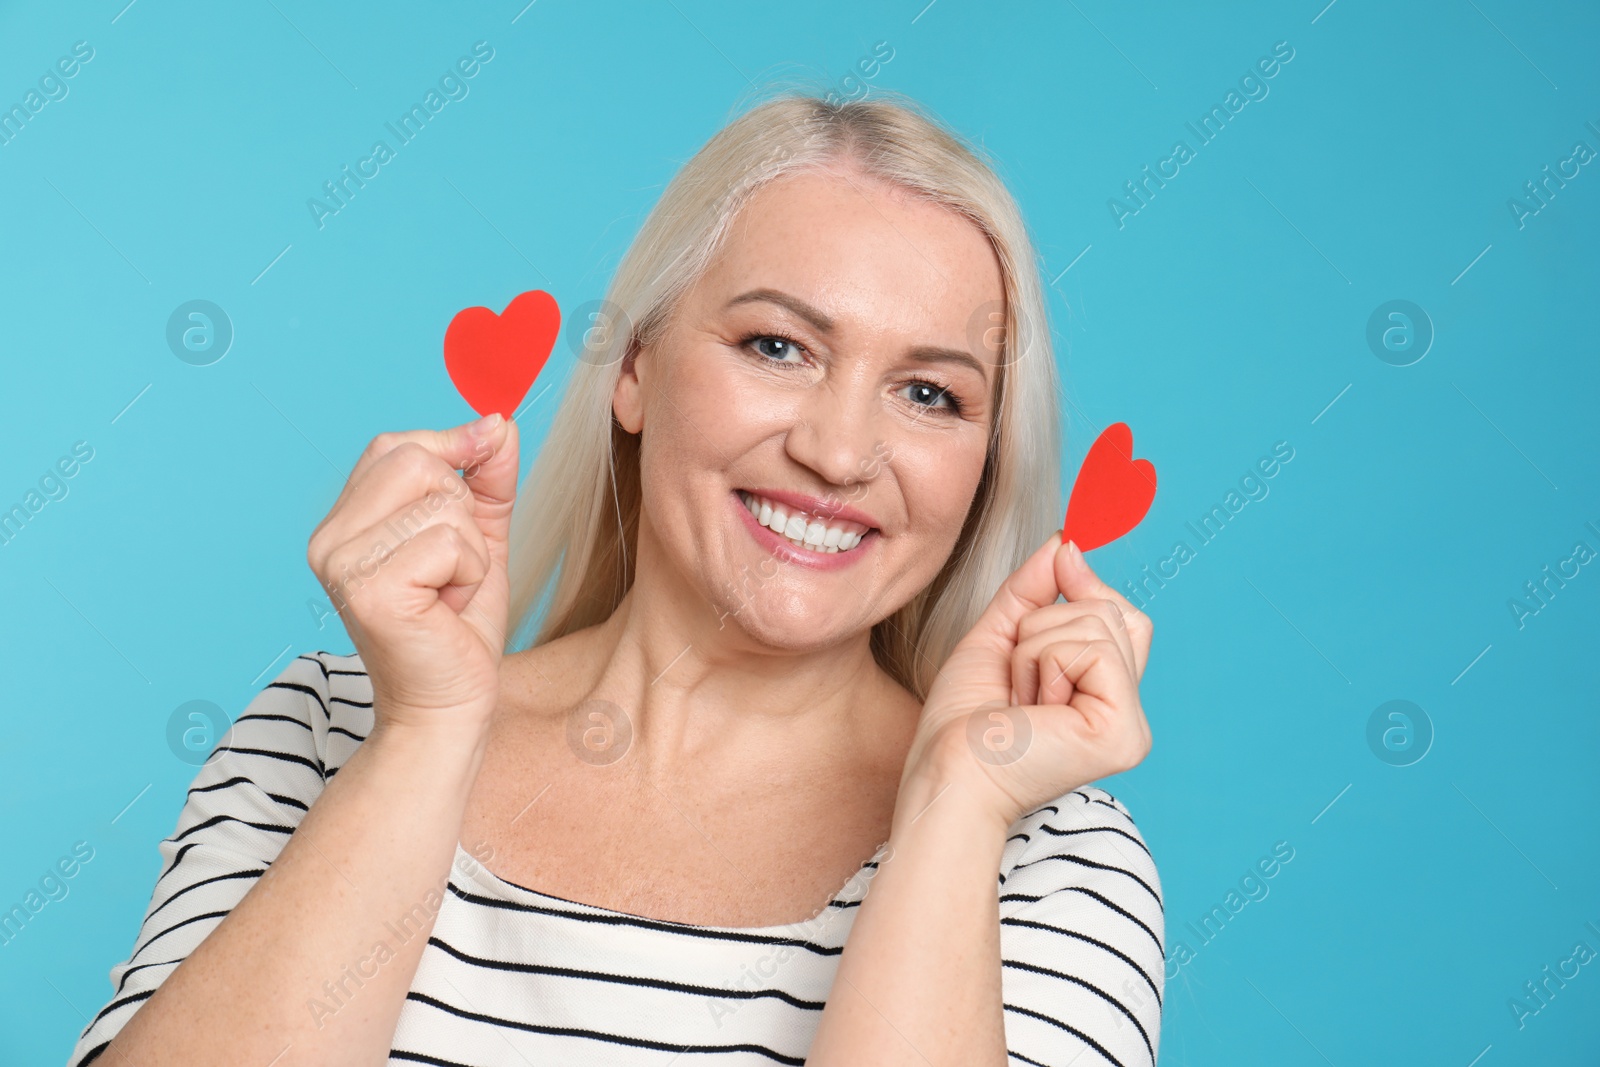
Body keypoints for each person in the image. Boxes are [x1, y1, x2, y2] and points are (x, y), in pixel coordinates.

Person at [67, 89, 1160, 1067]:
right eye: (778, 345)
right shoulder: (326, 729)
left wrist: (951, 809)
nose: (838, 452)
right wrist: (431, 733)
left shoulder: (1047, 859)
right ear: (633, 369)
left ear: (981, 465)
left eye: (930, 394)